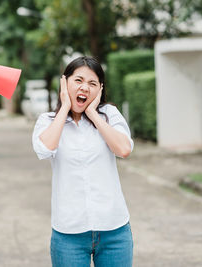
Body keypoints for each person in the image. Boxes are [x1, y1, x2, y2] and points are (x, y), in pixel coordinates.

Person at [32, 56, 134, 267]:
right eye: (78, 80)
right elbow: (44, 149)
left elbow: (123, 149)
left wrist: (92, 114)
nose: (85, 88)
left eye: (92, 83)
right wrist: (65, 107)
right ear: (64, 82)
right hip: (69, 234)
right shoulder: (49, 121)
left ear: (100, 89)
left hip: (114, 231)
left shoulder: (109, 115)